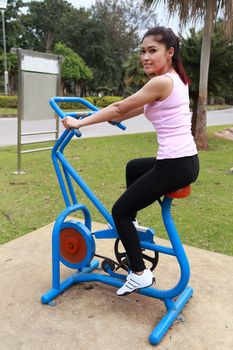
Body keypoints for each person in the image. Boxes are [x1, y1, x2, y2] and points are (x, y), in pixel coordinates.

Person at [61, 26, 199, 296]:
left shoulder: (161, 81)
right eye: (143, 51)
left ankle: (139, 272)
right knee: (133, 166)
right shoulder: (175, 79)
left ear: (169, 52)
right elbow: (139, 107)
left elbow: (120, 106)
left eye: (152, 51)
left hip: (173, 165)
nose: (145, 57)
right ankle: (131, 229)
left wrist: (80, 122)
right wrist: (119, 117)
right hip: (186, 161)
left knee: (119, 211)